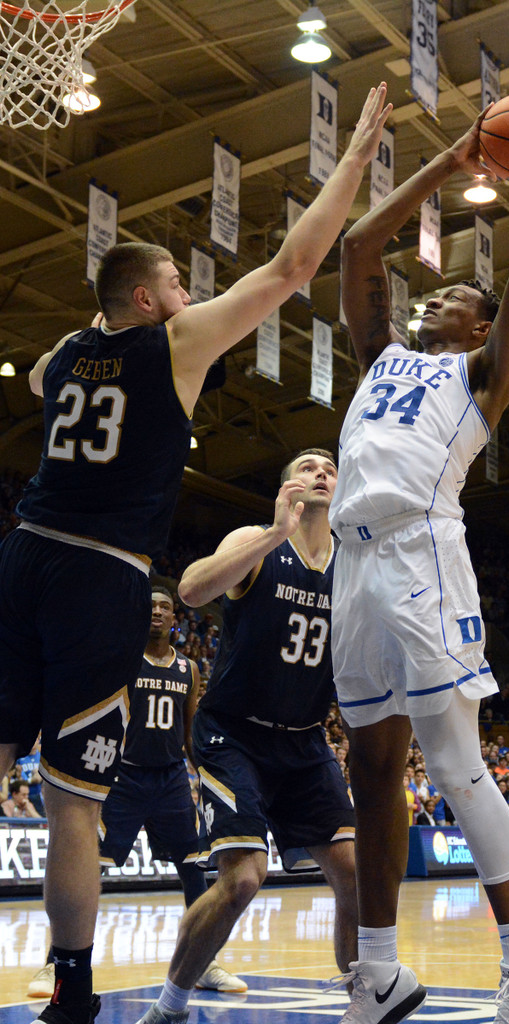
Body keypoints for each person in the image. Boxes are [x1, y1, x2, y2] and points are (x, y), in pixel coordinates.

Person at [0, 82, 389, 1024]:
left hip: (21, 550)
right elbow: (296, 266)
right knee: (72, 806)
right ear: (148, 298)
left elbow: (54, 377)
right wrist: (354, 153)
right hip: (100, 573)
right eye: (178, 280)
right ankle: (75, 990)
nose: (190, 292)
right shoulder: (171, 342)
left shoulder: (64, 350)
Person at [328, 101, 509, 1024]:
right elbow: (357, 249)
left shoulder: (480, 376)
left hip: (421, 554)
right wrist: (447, 160)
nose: (437, 299)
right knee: (370, 772)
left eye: (455, 300)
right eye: (435, 295)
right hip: (351, 569)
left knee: (456, 762)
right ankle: (380, 972)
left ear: (480, 330)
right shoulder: (379, 359)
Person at [135, 449, 357, 1024]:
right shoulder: (256, 540)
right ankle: (170, 1006)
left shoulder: (353, 562)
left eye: (330, 466)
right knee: (242, 882)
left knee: (356, 872)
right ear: (286, 487)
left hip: (306, 741)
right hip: (234, 734)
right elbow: (188, 590)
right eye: (307, 466)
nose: (321, 471)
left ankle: (362, 997)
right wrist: (274, 532)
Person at [27, 587, 244, 1001]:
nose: (158, 612)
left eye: (165, 607)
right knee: (87, 865)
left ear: (175, 619)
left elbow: (189, 731)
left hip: (172, 781)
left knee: (193, 869)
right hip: (124, 779)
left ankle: (205, 961)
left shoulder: (190, 669)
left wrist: (206, 775)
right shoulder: (124, 661)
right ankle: (56, 960)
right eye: (151, 607)